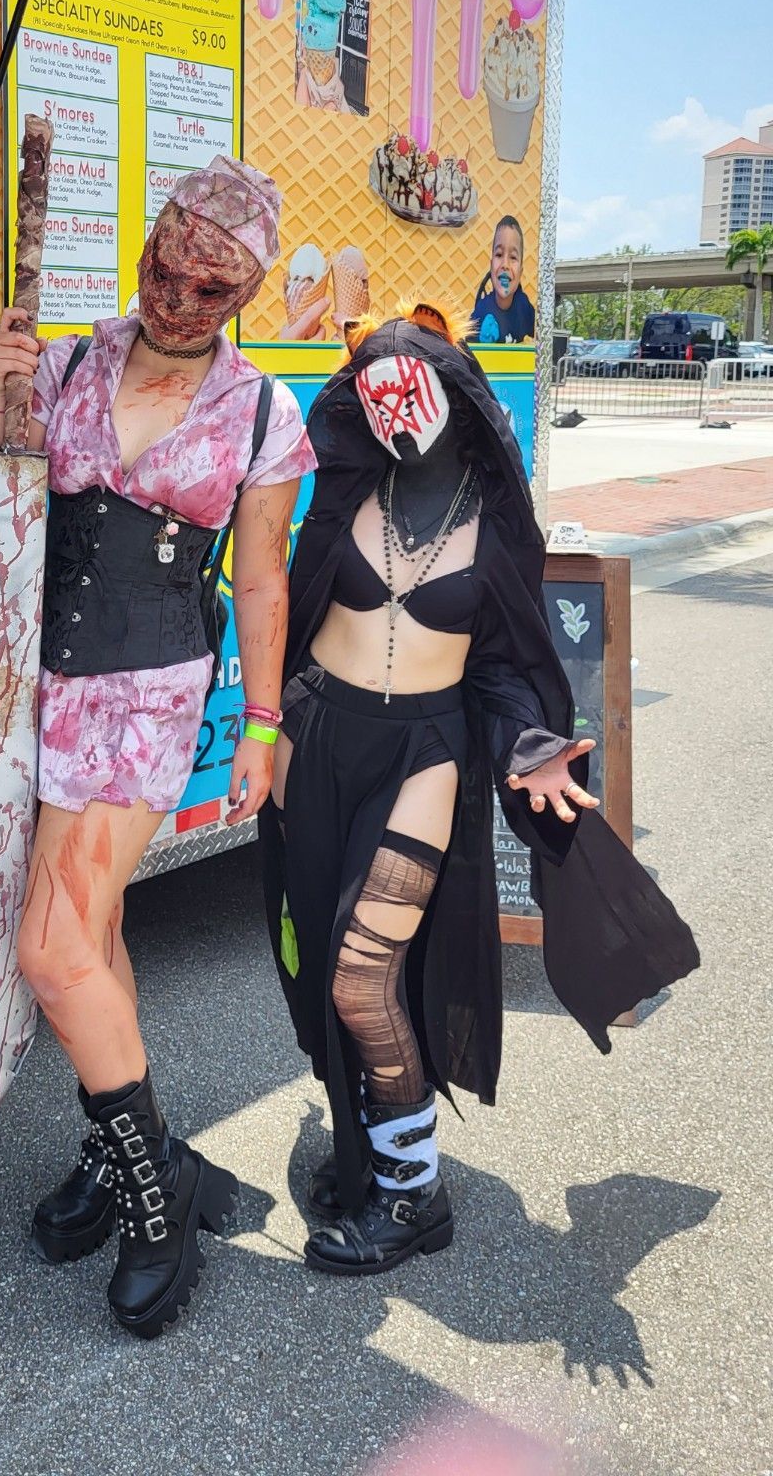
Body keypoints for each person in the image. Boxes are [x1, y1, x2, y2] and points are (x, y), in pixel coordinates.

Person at [257, 301, 698, 1276]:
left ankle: (414, 1195)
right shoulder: (344, 492)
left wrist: (535, 744)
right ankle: (363, 1150)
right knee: (317, 964)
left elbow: (507, 662)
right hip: (321, 740)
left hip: (425, 756)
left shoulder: (492, 524)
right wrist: (279, 722)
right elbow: (295, 605)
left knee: (363, 973)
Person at [0, 158, 315, 1338]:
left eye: (205, 290)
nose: (174, 301)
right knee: (100, 939)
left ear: (246, 296)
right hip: (44, 683)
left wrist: (261, 726)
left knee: (52, 947)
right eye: (161, 270)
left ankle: (154, 1202)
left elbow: (265, 582)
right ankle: (134, 1150)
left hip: (149, 691)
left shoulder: (265, 415)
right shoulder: (67, 358)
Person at [471, 215, 535, 345]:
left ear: (520, 272)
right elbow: (467, 350)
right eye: (499, 255)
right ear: (491, 265)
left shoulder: (524, 306)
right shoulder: (482, 309)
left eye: (513, 257)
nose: (505, 264)